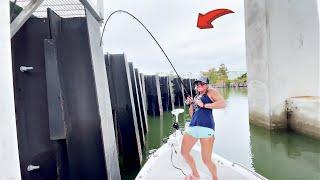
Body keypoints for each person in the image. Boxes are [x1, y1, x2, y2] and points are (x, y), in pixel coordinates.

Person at [181, 76, 226, 180]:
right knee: (184, 152)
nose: (199, 85)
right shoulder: (197, 97)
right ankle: (195, 175)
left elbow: (223, 104)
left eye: (202, 84)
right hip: (193, 126)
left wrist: (204, 105)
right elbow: (192, 115)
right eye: (197, 84)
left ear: (207, 85)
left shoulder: (210, 92)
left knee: (206, 160)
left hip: (206, 127)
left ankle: (215, 178)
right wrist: (191, 104)